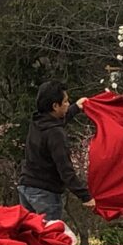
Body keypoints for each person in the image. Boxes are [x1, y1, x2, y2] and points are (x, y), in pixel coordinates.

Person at [18, 80, 97, 222]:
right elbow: (65, 169)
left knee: (29, 237)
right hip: (45, 193)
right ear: (55, 106)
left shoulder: (37, 121)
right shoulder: (56, 134)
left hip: (26, 187)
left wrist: (76, 108)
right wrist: (85, 196)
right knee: (50, 237)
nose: (68, 103)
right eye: (65, 101)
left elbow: (55, 122)